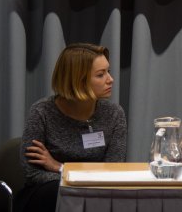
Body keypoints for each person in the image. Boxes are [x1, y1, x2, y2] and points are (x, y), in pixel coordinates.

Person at [18, 43, 127, 211]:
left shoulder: (114, 114)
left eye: (108, 72)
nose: (110, 79)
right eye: (101, 74)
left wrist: (60, 167)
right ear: (78, 80)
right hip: (49, 197)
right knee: (58, 192)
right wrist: (79, 181)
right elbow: (32, 174)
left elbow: (113, 171)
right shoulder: (42, 112)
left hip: (97, 196)